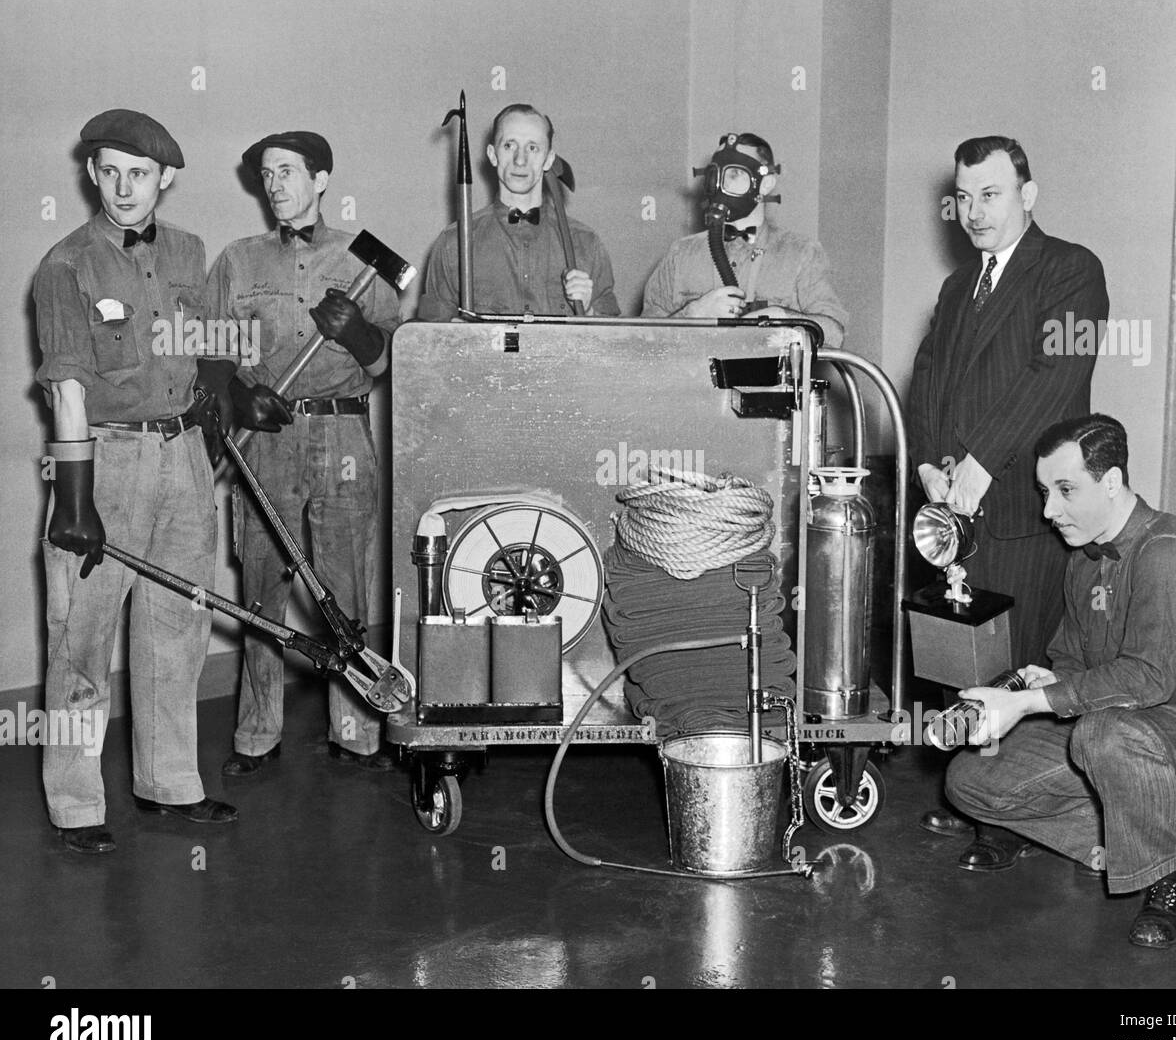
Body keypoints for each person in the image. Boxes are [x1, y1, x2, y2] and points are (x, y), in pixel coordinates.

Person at [944, 414, 1176, 948]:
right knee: (968, 778)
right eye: (1045, 491)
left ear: (1113, 481)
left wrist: (1032, 703)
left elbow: (1146, 680)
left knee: (1105, 735)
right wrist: (1041, 682)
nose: (1049, 510)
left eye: (1065, 490)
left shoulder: (1166, 553)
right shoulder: (1085, 557)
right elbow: (1072, 661)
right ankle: (1110, 839)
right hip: (1124, 726)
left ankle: (1170, 880)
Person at [34, 109, 238, 854]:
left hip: (183, 455)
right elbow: (66, 386)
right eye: (110, 170)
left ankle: (170, 783)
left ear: (166, 180)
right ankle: (77, 800)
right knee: (81, 635)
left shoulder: (189, 250)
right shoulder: (66, 265)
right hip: (104, 458)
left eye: (140, 174)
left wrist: (226, 395)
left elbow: (210, 342)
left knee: (177, 626)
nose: (124, 187)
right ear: (91, 172)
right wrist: (76, 495)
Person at [907, 136, 1108, 836]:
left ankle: (1012, 820)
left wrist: (985, 462)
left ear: (1027, 193)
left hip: (1026, 507)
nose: (973, 211)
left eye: (989, 194)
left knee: (1022, 663)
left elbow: (1056, 379)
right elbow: (926, 377)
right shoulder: (957, 286)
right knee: (961, 657)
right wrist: (931, 464)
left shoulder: (1075, 271)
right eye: (962, 197)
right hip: (954, 510)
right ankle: (976, 796)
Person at [208, 130, 400, 775]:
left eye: (288, 172)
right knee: (262, 586)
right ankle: (257, 735)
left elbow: (392, 361)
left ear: (321, 179)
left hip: (343, 432)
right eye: (267, 174)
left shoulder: (362, 259)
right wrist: (239, 399)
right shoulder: (237, 261)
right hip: (266, 437)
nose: (276, 185)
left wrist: (360, 332)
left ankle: (355, 731)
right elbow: (212, 357)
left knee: (343, 586)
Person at [640, 132, 848, 346]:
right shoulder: (681, 255)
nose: (720, 185)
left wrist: (784, 318)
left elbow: (834, 334)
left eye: (733, 174)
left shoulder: (801, 253)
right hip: (694, 377)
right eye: (715, 175)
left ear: (765, 184)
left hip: (771, 378)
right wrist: (691, 314)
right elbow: (640, 341)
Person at [417, 103, 619, 320]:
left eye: (532, 148)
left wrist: (588, 311)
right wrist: (452, 335)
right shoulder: (452, 244)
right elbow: (427, 339)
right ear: (492, 155)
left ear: (549, 159)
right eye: (509, 146)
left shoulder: (586, 245)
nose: (520, 160)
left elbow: (613, 342)